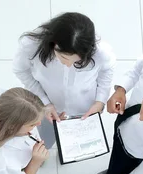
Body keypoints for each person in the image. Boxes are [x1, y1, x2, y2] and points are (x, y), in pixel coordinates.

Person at [13, 12, 116, 147]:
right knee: (45, 138)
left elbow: (107, 70)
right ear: (54, 44)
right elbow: (21, 71)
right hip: (47, 107)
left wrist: (100, 102)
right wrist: (45, 103)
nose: (68, 65)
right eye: (64, 59)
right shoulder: (31, 46)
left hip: (84, 109)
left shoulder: (101, 51)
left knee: (78, 143)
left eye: (76, 62)